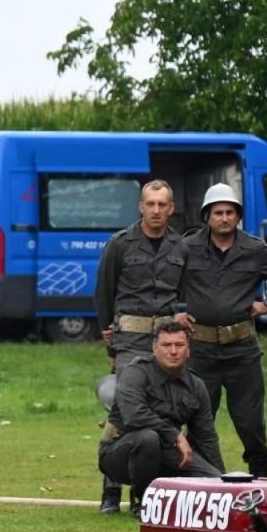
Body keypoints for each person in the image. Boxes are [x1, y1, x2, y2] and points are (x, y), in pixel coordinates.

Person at [94, 180, 185, 513]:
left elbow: (184, 292)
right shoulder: (120, 244)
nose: (156, 210)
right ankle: (110, 490)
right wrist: (110, 341)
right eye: (150, 204)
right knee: (123, 410)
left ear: (171, 208)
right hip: (129, 339)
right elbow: (104, 292)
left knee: (162, 411)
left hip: (166, 340)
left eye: (162, 204)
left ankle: (146, 491)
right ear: (140, 207)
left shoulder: (181, 247)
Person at [176, 183, 267, 476]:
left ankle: (261, 482)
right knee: (198, 419)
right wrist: (173, 311)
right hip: (200, 350)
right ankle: (198, 482)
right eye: (218, 212)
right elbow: (165, 279)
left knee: (251, 423)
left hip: (242, 349)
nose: (224, 218)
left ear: (238, 216)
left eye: (230, 212)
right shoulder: (187, 247)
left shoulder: (255, 249)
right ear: (206, 216)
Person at [98, 318, 224, 510]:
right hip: (121, 455)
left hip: (168, 453)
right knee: (148, 438)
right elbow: (134, 416)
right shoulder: (135, 372)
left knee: (215, 482)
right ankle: (142, 498)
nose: (173, 351)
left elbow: (206, 437)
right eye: (166, 345)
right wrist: (176, 436)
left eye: (179, 345)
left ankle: (164, 492)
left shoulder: (196, 385)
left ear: (188, 350)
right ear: (154, 348)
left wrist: (224, 481)